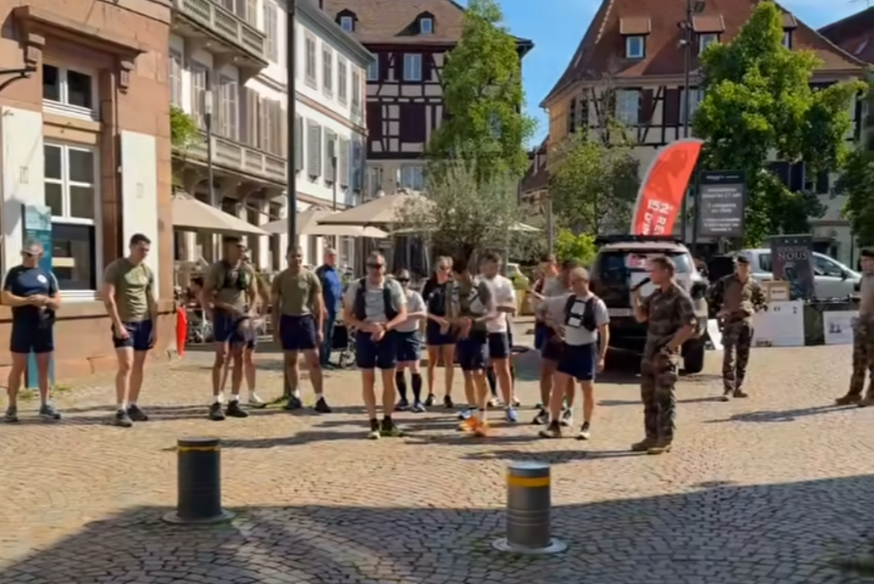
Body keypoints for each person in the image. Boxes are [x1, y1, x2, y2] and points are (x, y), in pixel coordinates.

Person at [631, 256, 697, 454]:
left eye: (654, 270)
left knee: (664, 398)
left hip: (665, 355)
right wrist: (635, 297)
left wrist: (669, 348)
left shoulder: (680, 296)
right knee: (648, 398)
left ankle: (665, 439)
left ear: (666, 272)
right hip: (649, 353)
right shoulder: (656, 295)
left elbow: (690, 326)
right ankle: (651, 437)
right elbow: (641, 317)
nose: (650, 274)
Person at [538, 267, 609, 439]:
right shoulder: (569, 299)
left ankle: (586, 425)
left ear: (585, 282)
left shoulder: (597, 303)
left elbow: (604, 331)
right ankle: (554, 424)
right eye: (571, 281)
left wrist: (601, 356)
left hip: (586, 349)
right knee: (558, 385)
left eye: (575, 282)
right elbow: (549, 302)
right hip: (568, 348)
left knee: (587, 389)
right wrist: (554, 324)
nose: (572, 285)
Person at [343, 251, 407, 438]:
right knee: (368, 378)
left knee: (389, 379)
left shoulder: (393, 285)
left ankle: (387, 421)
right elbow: (347, 316)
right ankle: (373, 423)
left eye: (378, 266)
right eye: (371, 266)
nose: (375, 270)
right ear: (366, 267)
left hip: (388, 334)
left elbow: (403, 314)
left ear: (384, 267)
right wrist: (366, 327)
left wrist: (385, 327)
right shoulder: (357, 286)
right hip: (365, 335)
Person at [101, 234, 158, 426]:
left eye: (147, 250)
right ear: (132, 247)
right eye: (141, 249)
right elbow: (108, 297)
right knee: (126, 364)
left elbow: (152, 300)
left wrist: (155, 327)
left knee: (138, 366)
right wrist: (117, 324)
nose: (144, 253)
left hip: (144, 322)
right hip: (125, 322)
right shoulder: (116, 268)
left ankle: (133, 404)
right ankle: (120, 409)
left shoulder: (147, 271)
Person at [1, 240, 61, 422]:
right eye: (23, 253)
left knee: (43, 367)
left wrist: (45, 300)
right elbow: (5, 298)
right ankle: (12, 407)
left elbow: (57, 302)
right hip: (22, 326)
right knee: (18, 366)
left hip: (43, 326)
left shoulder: (47, 275)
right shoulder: (14, 273)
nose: (25, 257)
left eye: (29, 254)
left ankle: (45, 404)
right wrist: (27, 301)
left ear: (39, 256)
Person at [201, 237, 259, 420]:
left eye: (244, 247)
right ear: (229, 248)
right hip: (223, 316)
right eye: (239, 247)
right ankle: (216, 401)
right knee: (222, 356)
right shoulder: (217, 269)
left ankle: (234, 400)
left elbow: (254, 293)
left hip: (241, 317)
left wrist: (251, 311)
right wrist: (214, 310)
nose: (242, 250)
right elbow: (206, 294)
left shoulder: (247, 269)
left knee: (239, 357)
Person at [272, 245, 329, 412]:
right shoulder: (280, 278)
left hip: (306, 320)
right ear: (286, 258)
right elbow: (275, 306)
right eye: (293, 256)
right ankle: (295, 396)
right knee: (291, 361)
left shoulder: (310, 276)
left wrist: (319, 329)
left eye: (299, 256)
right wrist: (275, 329)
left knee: (314, 361)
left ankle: (319, 398)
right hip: (288, 320)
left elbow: (319, 305)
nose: (296, 259)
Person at [708, 256, 766, 400]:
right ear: (736, 267)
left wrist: (754, 308)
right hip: (731, 322)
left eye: (746, 266)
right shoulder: (725, 282)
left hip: (746, 322)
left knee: (743, 356)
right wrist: (719, 311)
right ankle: (728, 389)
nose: (744, 268)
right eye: (741, 266)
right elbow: (710, 297)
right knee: (730, 357)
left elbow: (762, 301)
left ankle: (738, 387)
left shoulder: (753, 284)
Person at [450, 257, 495, 434]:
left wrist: (474, 321)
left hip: (479, 334)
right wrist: (458, 322)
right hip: (462, 336)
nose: (458, 278)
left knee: (479, 373)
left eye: (458, 275)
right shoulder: (453, 289)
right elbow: (450, 315)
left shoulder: (482, 287)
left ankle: (483, 416)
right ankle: (473, 414)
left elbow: (492, 312)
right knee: (467, 374)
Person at [531, 259, 577, 425]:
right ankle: (545, 409)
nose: (569, 278)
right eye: (567, 273)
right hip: (551, 334)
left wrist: (567, 330)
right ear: (562, 270)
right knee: (546, 372)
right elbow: (540, 311)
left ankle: (569, 410)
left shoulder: (578, 289)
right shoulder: (551, 287)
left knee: (569, 375)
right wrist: (550, 323)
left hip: (571, 335)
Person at [479, 251, 519, 422]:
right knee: (480, 370)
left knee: (503, 369)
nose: (494, 269)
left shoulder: (505, 283)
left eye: (496, 266)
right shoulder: (475, 282)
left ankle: (508, 406)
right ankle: (480, 408)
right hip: (480, 331)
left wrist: (495, 306)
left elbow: (513, 305)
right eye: (490, 265)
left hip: (499, 330)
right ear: (482, 266)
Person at [836, 249, 873, 407]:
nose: (864, 264)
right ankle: (854, 393)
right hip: (862, 323)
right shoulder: (864, 278)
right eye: (862, 261)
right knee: (858, 361)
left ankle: (872, 396)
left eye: (868, 260)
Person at [423, 257, 456, 408]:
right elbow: (421, 308)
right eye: (441, 268)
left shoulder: (453, 286)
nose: (444, 271)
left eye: (446, 268)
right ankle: (431, 393)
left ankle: (448, 395)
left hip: (449, 325)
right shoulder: (429, 285)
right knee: (432, 361)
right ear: (435, 269)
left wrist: (448, 321)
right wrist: (436, 319)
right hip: (433, 324)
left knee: (449, 361)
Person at [393, 269, 427, 411]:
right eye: (400, 280)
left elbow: (423, 313)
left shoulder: (415, 296)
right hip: (397, 334)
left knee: (414, 367)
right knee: (399, 366)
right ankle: (403, 399)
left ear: (410, 282)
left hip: (412, 333)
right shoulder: (393, 296)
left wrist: (406, 316)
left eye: (406, 280)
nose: (403, 283)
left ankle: (417, 400)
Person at [241, 252, 270, 407]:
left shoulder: (254, 277)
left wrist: (262, 318)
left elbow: (266, 298)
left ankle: (252, 393)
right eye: (242, 259)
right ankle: (230, 395)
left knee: (249, 358)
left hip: (250, 322)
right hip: (236, 321)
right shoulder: (231, 277)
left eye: (247, 259)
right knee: (234, 358)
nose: (245, 263)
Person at [315, 248, 342, 368]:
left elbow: (337, 289)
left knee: (330, 335)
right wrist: (323, 307)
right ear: (325, 257)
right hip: (324, 310)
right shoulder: (321, 272)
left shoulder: (335, 272)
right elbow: (318, 292)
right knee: (324, 335)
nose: (333, 258)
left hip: (334, 308)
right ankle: (322, 361)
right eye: (330, 255)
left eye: (335, 255)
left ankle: (327, 357)